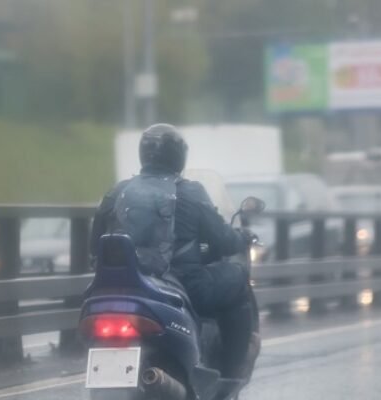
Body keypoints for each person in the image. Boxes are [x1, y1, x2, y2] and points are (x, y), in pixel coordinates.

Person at [90, 123, 259, 379]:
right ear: (179, 156)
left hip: (124, 288)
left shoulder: (117, 192)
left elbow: (95, 246)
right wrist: (242, 237)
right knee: (238, 281)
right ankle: (231, 373)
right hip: (186, 285)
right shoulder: (190, 191)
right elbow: (223, 240)